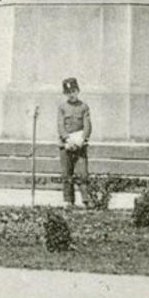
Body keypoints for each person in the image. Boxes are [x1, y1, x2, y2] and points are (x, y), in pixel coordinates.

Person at [57, 76, 92, 207]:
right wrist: (67, 138)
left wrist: (82, 139)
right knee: (67, 174)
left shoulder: (83, 107)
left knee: (82, 173)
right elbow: (60, 125)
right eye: (68, 92)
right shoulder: (62, 107)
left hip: (80, 144)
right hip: (65, 145)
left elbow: (87, 125)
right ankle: (68, 200)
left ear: (78, 91)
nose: (71, 95)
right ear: (65, 94)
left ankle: (86, 200)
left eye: (73, 91)